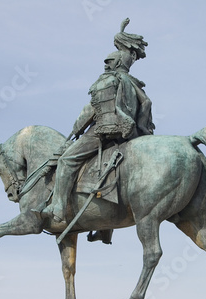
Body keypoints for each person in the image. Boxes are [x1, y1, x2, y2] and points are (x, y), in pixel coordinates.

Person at [41, 20, 154, 223]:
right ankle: (104, 229)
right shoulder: (134, 84)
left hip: (105, 131)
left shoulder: (106, 81)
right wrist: (142, 128)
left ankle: (58, 206)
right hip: (130, 134)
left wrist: (76, 129)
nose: (105, 65)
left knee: (67, 160)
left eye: (108, 63)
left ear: (115, 63)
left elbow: (90, 112)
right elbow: (146, 103)